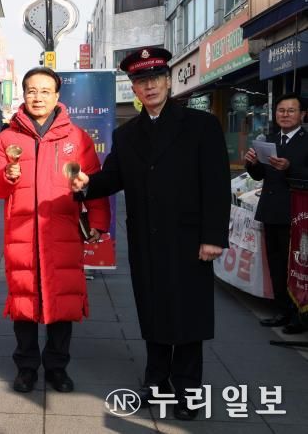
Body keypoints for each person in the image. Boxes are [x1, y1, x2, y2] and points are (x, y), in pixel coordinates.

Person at [70, 47, 230, 421]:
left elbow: (217, 186)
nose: (150, 86)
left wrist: (213, 236)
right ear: (134, 88)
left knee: (189, 317)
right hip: (146, 239)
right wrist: (85, 184)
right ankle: (156, 380)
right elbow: (113, 178)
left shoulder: (201, 126)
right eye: (141, 81)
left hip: (190, 240)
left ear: (169, 80)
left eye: (156, 78)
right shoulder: (126, 136)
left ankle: (188, 389)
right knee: (153, 312)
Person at [0, 67, 110, 394]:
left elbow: (94, 184)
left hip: (62, 232)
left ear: (56, 96)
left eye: (44, 91)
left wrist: (97, 223)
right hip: (22, 234)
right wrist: (7, 175)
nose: (37, 97)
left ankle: (56, 367)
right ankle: (26, 368)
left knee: (62, 302)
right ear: (23, 95)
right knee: (23, 303)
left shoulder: (76, 138)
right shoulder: (8, 138)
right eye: (31, 91)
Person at [245, 93, 308, 334]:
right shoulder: (269, 140)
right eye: (281, 110)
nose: (285, 114)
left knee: (296, 264)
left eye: (291, 110)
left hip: (297, 214)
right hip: (271, 211)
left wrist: (291, 169)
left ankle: (298, 315)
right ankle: (282, 310)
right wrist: (252, 164)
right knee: (275, 263)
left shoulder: (306, 140)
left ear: (302, 115)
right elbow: (260, 176)